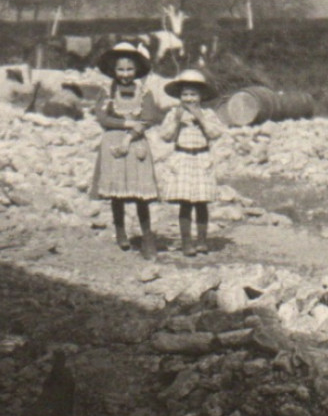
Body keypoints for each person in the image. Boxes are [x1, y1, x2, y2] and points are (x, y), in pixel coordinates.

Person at [88, 41, 164, 259]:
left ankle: (147, 237)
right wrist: (127, 124)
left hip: (137, 144)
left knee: (140, 193)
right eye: (120, 69)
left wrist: (133, 132)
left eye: (130, 69)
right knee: (117, 192)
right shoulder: (107, 91)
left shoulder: (145, 92)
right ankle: (120, 230)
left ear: (137, 70)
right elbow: (102, 117)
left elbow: (148, 118)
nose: (125, 74)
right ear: (114, 70)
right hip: (113, 143)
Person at [157, 68, 228, 257]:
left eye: (193, 94)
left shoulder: (208, 114)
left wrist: (201, 119)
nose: (189, 99)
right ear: (180, 96)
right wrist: (177, 122)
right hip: (182, 158)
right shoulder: (174, 113)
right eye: (185, 94)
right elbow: (165, 136)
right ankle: (186, 242)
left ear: (202, 96)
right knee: (185, 203)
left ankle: (202, 241)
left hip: (202, 159)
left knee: (201, 202)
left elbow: (216, 133)